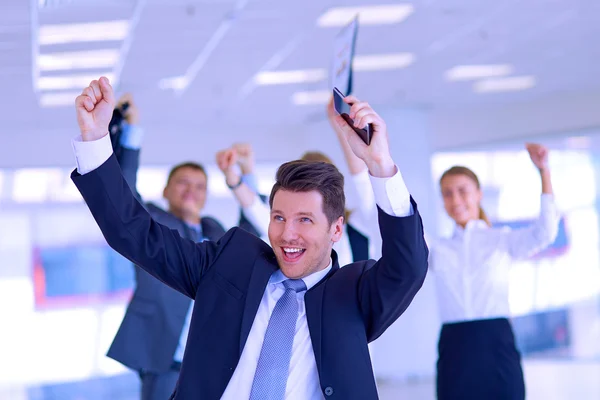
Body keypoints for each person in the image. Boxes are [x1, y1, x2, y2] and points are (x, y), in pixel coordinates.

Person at [70, 76, 428, 399]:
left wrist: (380, 165)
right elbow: (134, 233)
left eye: (305, 220)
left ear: (336, 229)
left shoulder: (354, 292)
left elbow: (408, 265)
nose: (287, 233)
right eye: (278, 217)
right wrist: (96, 139)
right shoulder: (229, 263)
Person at [101, 93, 228, 400]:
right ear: (166, 190)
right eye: (183, 183)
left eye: (199, 186)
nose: (191, 191)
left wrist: (242, 176)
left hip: (211, 362)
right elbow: (124, 192)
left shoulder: (215, 229)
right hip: (164, 358)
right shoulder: (154, 224)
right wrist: (131, 130)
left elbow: (258, 231)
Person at [430, 144, 560, 399]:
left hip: (496, 344)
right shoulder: (436, 248)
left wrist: (544, 172)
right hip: (455, 348)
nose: (455, 200)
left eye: (462, 191)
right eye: (447, 193)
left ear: (478, 194)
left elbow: (545, 233)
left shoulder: (501, 239)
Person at [215, 144, 371, 266]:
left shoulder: (356, 224)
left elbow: (361, 179)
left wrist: (342, 128)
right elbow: (255, 209)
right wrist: (233, 178)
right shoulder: (291, 226)